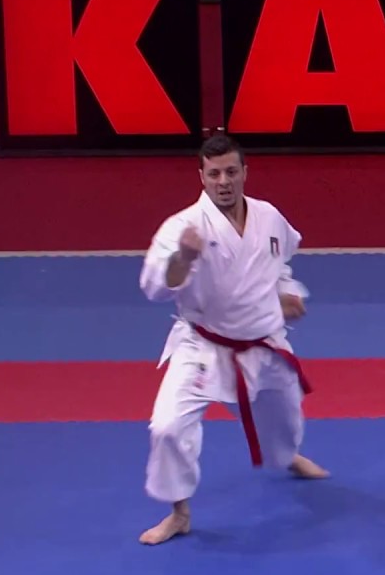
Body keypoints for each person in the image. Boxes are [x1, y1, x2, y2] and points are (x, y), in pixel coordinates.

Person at [136, 133, 329, 546]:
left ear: (245, 172)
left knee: (285, 419)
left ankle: (286, 457)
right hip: (203, 348)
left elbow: (278, 263)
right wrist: (184, 257)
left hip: (262, 342)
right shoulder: (182, 227)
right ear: (201, 177)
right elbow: (156, 286)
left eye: (230, 172)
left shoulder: (268, 216)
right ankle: (179, 512)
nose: (223, 181)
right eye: (214, 174)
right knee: (167, 427)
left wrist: (287, 292)